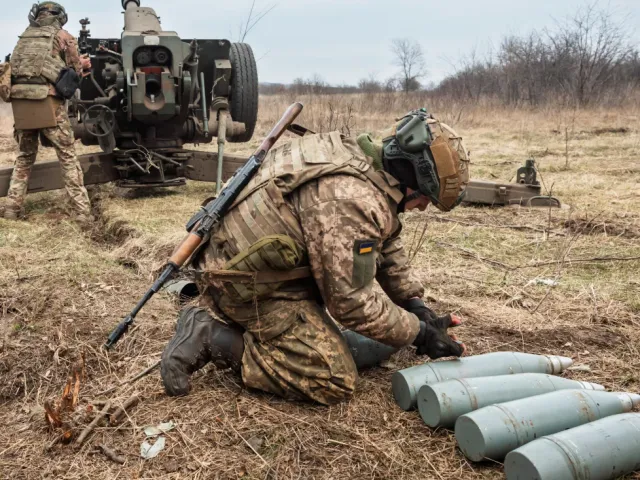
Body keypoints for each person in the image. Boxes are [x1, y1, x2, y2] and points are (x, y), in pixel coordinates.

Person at [161, 108, 471, 405]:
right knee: (333, 377)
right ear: (413, 180)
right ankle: (210, 335)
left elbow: (384, 236)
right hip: (243, 286)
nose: (422, 208)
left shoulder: (356, 158)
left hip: (243, 262)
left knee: (363, 341)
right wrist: (420, 334)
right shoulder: (352, 199)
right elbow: (350, 304)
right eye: (424, 200)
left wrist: (413, 303)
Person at [3, 2, 92, 222]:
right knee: (68, 158)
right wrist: (83, 64)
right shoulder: (63, 36)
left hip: (22, 105)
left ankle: (11, 210)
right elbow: (75, 72)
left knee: (24, 158)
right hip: (48, 104)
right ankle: (82, 213)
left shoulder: (23, 38)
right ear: (60, 16)